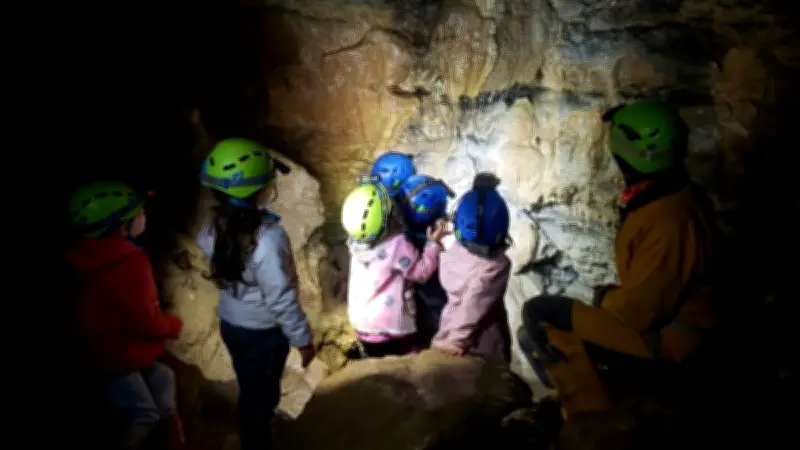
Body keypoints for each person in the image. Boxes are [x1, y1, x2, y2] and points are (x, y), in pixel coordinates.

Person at [517, 101, 720, 422]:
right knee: (554, 319)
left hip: (673, 344)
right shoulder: (675, 196)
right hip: (673, 322)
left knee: (541, 317)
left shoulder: (668, 221)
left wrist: (606, 301)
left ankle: (591, 418)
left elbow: (640, 313)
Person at [196, 138, 315, 450]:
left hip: (232, 325)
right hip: (263, 332)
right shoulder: (268, 238)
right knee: (261, 389)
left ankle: (255, 422)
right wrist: (302, 339)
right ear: (262, 190)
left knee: (249, 381)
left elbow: (207, 244)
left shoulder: (213, 226)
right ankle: (257, 437)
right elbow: (281, 298)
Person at [64, 181, 186, 450]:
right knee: (144, 414)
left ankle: (173, 442)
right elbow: (143, 321)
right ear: (122, 225)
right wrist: (172, 326)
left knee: (164, 376)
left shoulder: (81, 256)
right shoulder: (129, 263)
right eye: (138, 213)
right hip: (112, 355)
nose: (144, 216)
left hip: (98, 345)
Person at [342, 181, 448, 357]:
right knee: (403, 362)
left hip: (361, 324)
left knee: (377, 362)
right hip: (390, 328)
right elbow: (420, 273)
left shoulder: (354, 242)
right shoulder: (397, 244)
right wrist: (432, 245)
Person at [431, 173, 513, 364]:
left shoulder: (454, 250)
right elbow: (474, 304)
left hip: (449, 323)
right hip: (482, 340)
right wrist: (455, 341)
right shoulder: (497, 264)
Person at [396, 174, 455, 348]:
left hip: (409, 313)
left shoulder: (401, 241)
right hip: (432, 307)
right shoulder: (434, 247)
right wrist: (433, 244)